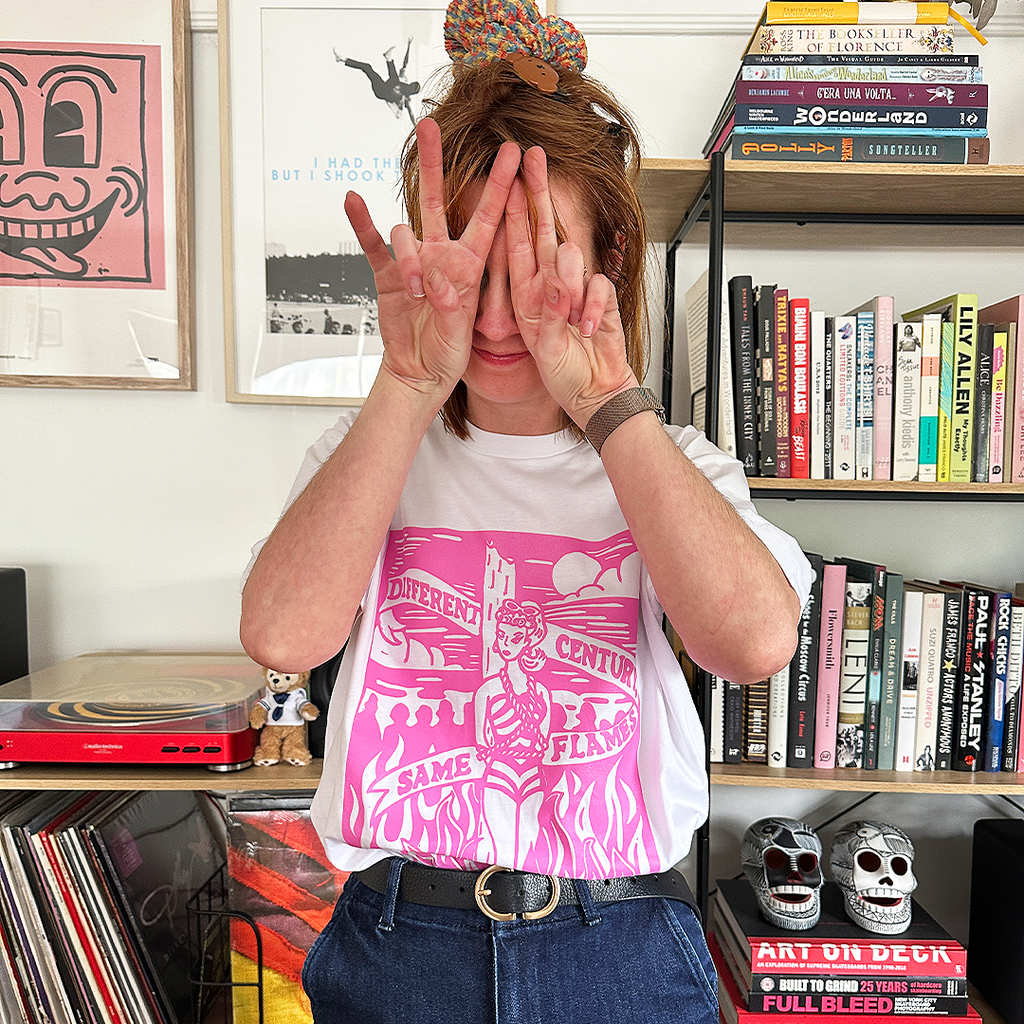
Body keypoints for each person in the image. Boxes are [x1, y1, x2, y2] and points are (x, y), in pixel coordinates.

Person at [241, 1, 812, 1021]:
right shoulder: (369, 455)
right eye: (463, 263)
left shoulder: (672, 464)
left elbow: (754, 643)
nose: (496, 314)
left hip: (621, 943)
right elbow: (281, 632)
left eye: (538, 265)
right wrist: (408, 384)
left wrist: (605, 402)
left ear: (610, 265)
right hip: (394, 935)